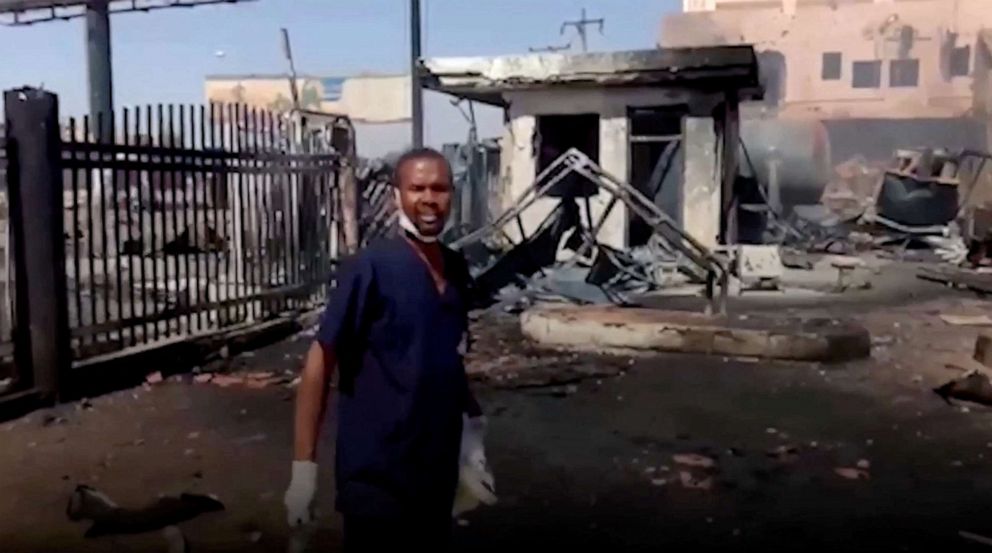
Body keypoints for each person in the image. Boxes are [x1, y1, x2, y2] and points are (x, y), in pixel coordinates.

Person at [284, 147, 483, 551]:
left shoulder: (456, 269)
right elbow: (321, 360)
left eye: (440, 188)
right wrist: (303, 469)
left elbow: (448, 357)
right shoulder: (369, 268)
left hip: (435, 473)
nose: (430, 199)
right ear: (397, 197)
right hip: (377, 476)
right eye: (418, 188)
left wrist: (472, 440)